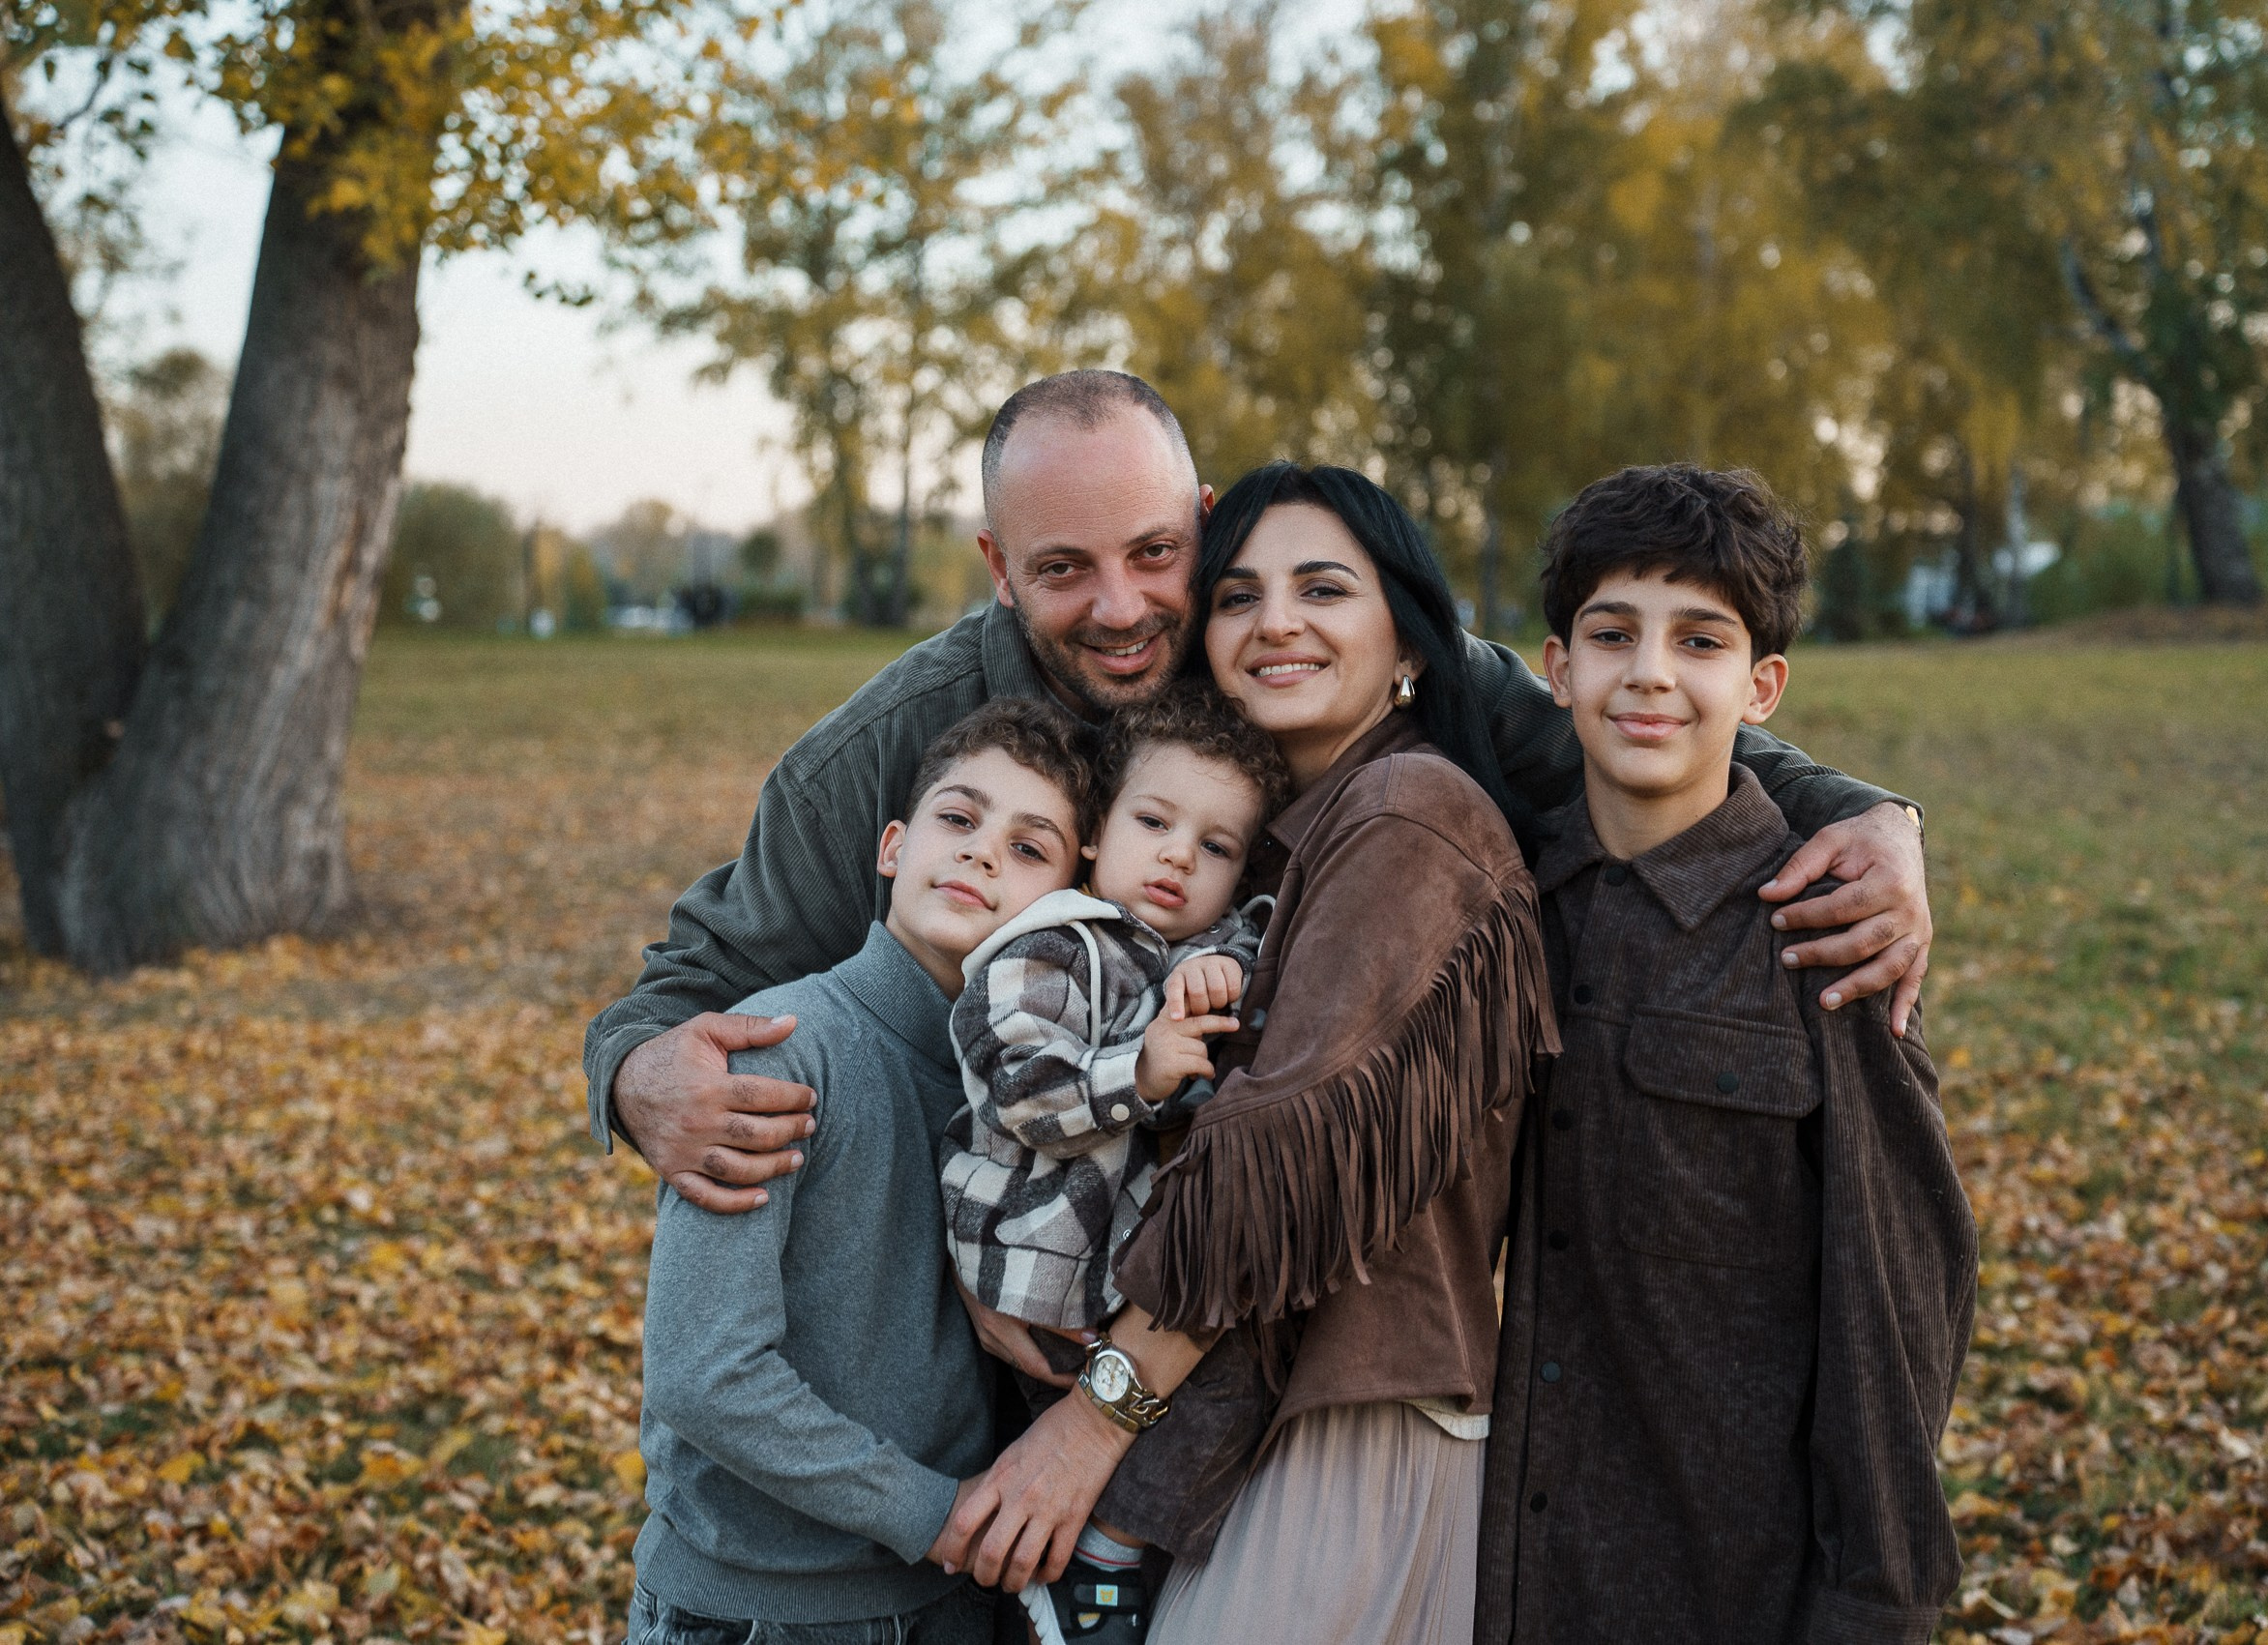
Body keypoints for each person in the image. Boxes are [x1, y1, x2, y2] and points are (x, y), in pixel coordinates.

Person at [581, 370, 1935, 1229]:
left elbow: (1607, 711)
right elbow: (687, 980)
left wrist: (1867, 812)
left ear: (1203, 519)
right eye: (1062, 569)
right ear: (997, 566)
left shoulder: (1285, 651)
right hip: (978, 1255)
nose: (1120, 607)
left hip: (1258, 1265)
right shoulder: (884, 750)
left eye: (1156, 553)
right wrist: (640, 1076)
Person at [929, 464, 1557, 1645]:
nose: (1274, 622)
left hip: (1347, 1416)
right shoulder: (1255, 850)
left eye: (1322, 588)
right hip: (1245, 1421)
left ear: (1411, 642)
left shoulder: (1407, 814)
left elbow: (1275, 1164)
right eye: (1238, 597)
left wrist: (1093, 1420)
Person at [1474, 465, 1978, 1645]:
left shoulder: (1826, 941)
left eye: (1697, 640)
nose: (1649, 671)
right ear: (1556, 669)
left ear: (1760, 687)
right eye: (1612, 633)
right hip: (1494, 1565)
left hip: (1727, 1579)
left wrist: (1875, 1603)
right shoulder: (1497, 912)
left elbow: (1897, 1307)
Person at [629, 700, 1102, 1645]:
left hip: (956, 1605)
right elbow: (702, 1372)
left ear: (1067, 904)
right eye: (959, 821)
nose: (979, 854)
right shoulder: (785, 1055)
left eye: (1027, 847)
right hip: (761, 1612)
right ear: (893, 847)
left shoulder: (1054, 1093)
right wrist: (933, 1511)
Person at [939, 685, 1292, 1643]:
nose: (1180, 854)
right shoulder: (1052, 942)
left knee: (1230, 1382)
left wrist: (1227, 961)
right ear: (1095, 835)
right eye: (1154, 821)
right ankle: (1096, 1556)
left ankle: (1105, 1553)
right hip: (1029, 1258)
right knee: (1192, 1393)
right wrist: (1133, 1071)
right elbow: (1020, 1086)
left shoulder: (1190, 952)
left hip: (1110, 1273)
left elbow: (1247, 960)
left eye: (1215, 846)